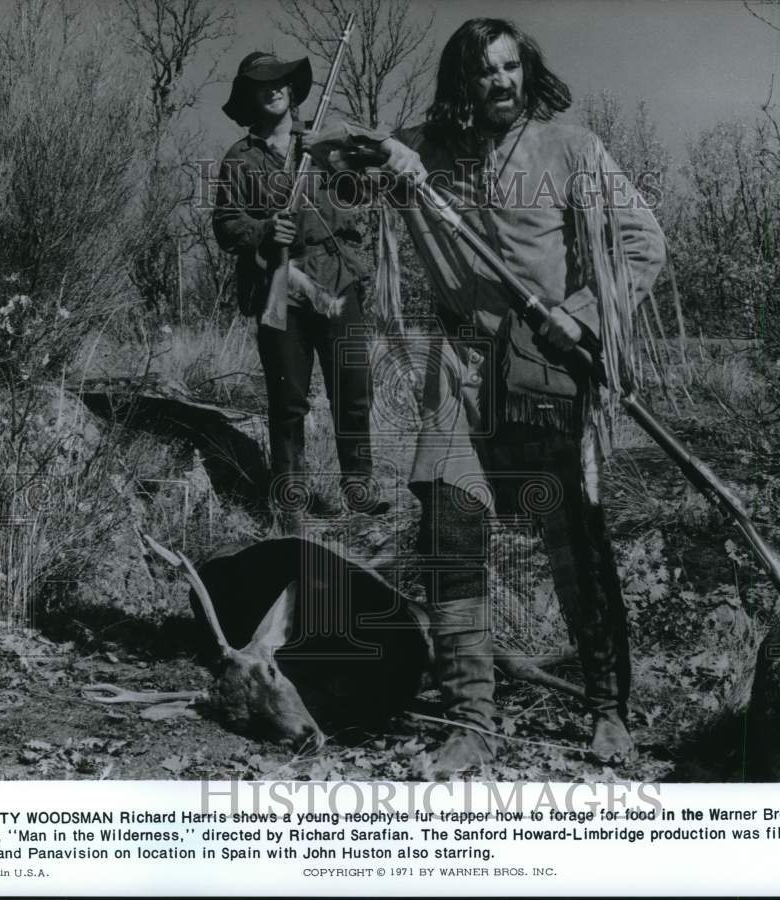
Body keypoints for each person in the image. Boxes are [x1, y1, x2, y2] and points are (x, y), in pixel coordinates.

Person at [308, 18, 666, 777]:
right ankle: (470, 721)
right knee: (450, 538)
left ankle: (606, 712)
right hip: (462, 371)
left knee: (577, 541)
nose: (499, 82)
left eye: (510, 68)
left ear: (525, 72)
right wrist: (388, 153)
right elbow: (329, 156)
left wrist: (578, 316)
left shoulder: (572, 148)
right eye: (484, 71)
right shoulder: (429, 152)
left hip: (548, 368)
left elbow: (644, 244)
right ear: (462, 83)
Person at [213, 51, 389, 530]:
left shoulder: (326, 142)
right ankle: (289, 502)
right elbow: (227, 225)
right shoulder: (239, 159)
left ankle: (360, 493)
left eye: (281, 81)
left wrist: (330, 158)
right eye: (261, 83)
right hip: (281, 287)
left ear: (292, 90)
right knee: (288, 401)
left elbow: (364, 194)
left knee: (353, 393)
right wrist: (266, 230)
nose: (274, 88)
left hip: (338, 282)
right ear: (249, 96)